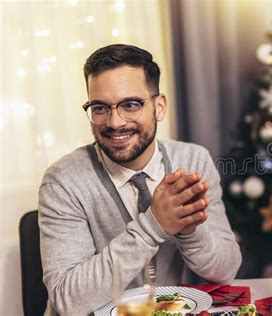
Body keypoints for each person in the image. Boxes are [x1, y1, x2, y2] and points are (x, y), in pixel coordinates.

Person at [38, 44, 242, 315]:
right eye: (100, 107)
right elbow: (67, 301)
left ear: (159, 107)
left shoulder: (193, 161)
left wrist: (187, 228)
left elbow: (226, 270)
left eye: (131, 104)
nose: (114, 122)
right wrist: (155, 224)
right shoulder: (63, 181)